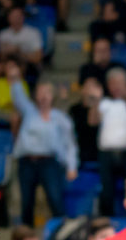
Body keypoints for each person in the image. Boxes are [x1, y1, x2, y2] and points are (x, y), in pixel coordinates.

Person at [9, 64, 79, 226]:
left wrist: (71, 167)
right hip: (27, 162)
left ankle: (60, 234)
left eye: (47, 93)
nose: (43, 97)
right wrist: (15, 78)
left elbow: (70, 144)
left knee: (55, 199)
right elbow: (18, 97)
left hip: (49, 163)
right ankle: (26, 236)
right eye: (40, 93)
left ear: (53, 96)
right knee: (26, 202)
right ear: (35, 95)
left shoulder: (61, 118)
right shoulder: (29, 112)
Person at [91, 67, 126, 215]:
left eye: (120, 83)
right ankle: (107, 221)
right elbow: (92, 121)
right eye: (113, 83)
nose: (116, 87)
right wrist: (96, 101)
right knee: (107, 191)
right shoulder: (104, 103)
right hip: (107, 154)